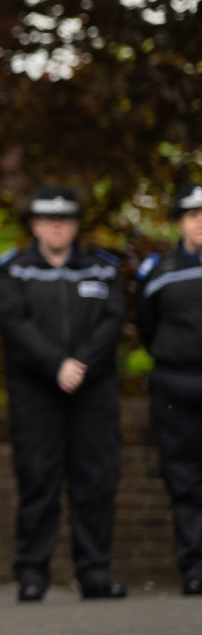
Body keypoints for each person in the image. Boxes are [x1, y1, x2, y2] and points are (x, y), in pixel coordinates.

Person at [0, 184, 125, 602]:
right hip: (36, 392)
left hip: (93, 390)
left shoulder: (102, 269)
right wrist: (56, 365)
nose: (57, 227)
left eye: (65, 219)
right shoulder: (14, 270)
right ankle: (33, 575)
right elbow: (14, 323)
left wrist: (79, 363)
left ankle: (95, 574)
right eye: (49, 220)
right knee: (38, 481)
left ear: (75, 226)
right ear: (35, 225)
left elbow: (112, 320)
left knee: (96, 482)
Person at [136, 179, 202, 595]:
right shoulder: (158, 271)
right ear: (179, 222)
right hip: (177, 386)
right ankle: (194, 568)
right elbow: (146, 326)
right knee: (185, 480)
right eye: (194, 216)